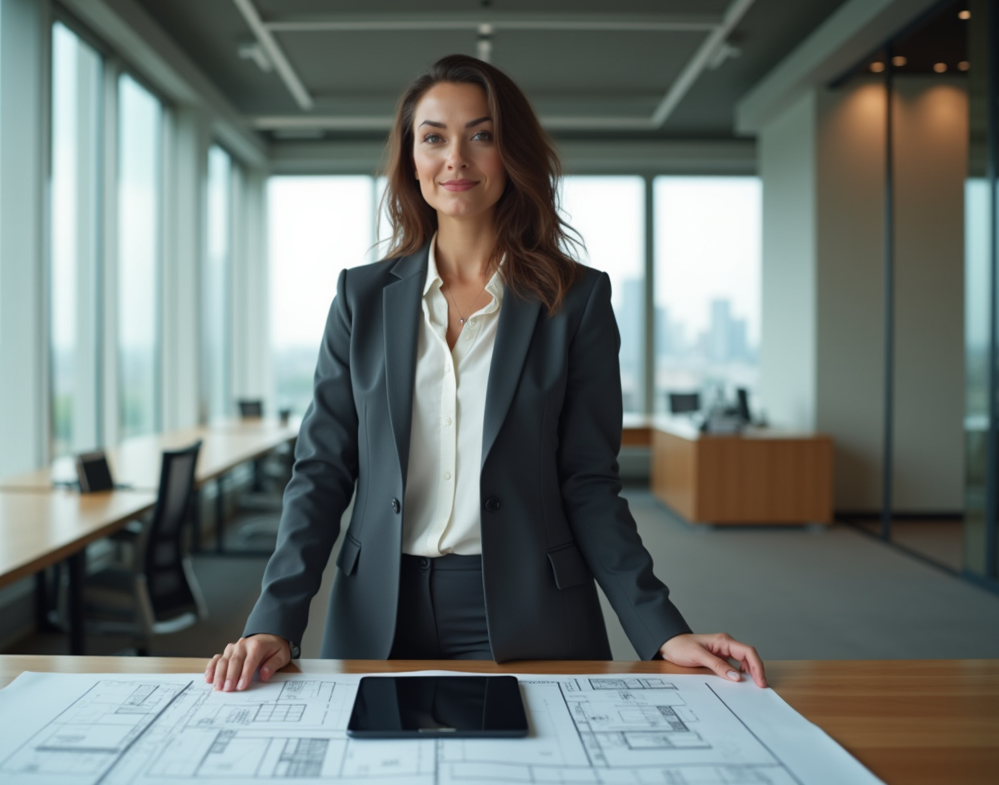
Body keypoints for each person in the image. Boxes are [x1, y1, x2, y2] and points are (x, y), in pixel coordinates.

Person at [206, 54, 766, 692]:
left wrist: (660, 628)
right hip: (378, 606)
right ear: (411, 158)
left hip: (533, 609)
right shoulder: (361, 299)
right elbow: (322, 470)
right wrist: (273, 619)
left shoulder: (574, 300)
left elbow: (588, 481)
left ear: (512, 153)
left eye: (482, 135)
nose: (456, 159)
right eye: (434, 137)